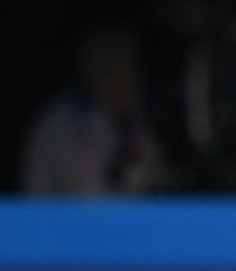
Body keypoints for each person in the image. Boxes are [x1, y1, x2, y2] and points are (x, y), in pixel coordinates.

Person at [19, 16, 171, 194]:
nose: (113, 68)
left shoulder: (159, 118)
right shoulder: (56, 125)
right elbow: (33, 199)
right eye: (104, 60)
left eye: (122, 56)